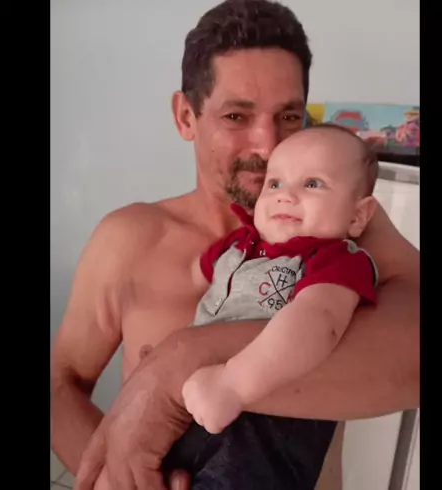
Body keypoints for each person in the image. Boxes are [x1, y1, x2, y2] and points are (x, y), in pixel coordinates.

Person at [50, 1, 420, 489]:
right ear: (186, 116)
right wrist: (113, 478)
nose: (267, 146)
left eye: (288, 115)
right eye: (236, 115)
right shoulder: (129, 239)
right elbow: (60, 383)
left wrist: (179, 361)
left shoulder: (348, 229)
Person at [182, 124, 380, 435]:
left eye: (313, 183)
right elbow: (194, 279)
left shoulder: (335, 259)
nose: (285, 195)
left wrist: (233, 385)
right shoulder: (238, 244)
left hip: (268, 413)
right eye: (274, 183)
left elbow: (319, 322)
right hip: (205, 394)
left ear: (357, 216)